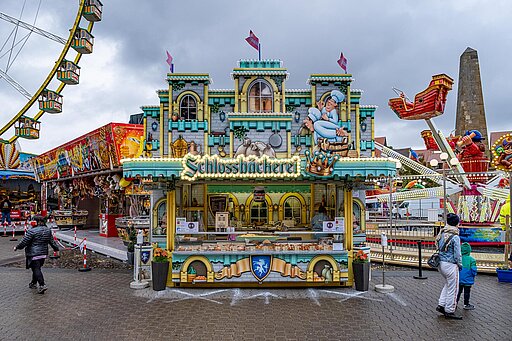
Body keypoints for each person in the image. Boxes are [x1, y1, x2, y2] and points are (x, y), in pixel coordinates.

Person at [13, 214, 59, 294]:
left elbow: (24, 242)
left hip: (33, 253)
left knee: (36, 269)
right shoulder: (47, 230)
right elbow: (52, 242)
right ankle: (33, 283)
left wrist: (17, 247)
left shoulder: (31, 231)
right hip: (43, 253)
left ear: (37, 222)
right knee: (36, 268)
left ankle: (42, 285)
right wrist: (56, 249)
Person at [435, 213, 463, 319]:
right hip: (451, 265)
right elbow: (457, 254)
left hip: (441, 263)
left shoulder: (442, 233)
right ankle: (449, 310)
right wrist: (460, 264)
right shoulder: (455, 237)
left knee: (447, 284)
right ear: (456, 223)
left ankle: (441, 305)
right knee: (454, 288)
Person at [457, 242, 477, 310]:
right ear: (469, 250)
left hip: (459, 279)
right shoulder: (472, 259)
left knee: (458, 292)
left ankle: (455, 303)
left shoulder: (459, 259)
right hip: (468, 279)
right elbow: (474, 269)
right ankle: (466, 304)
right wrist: (474, 275)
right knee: (467, 292)